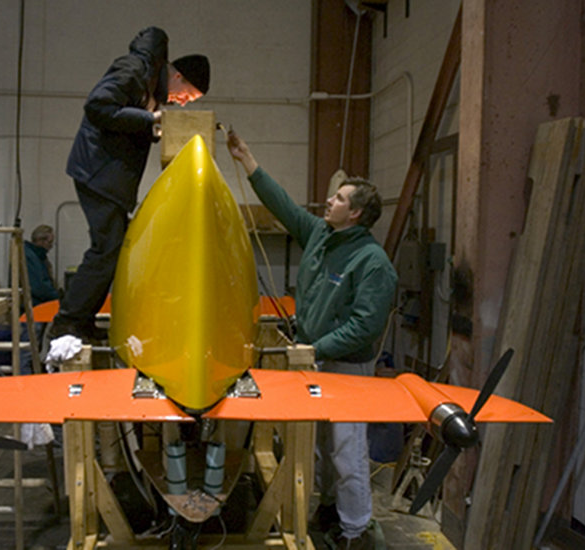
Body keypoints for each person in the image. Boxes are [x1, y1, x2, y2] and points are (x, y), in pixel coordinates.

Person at [227, 130, 397, 550]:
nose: (329, 202)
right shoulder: (321, 235)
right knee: (316, 447)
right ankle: (328, 509)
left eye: (339, 199)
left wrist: (316, 349)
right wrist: (247, 159)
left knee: (347, 449)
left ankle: (356, 530)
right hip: (312, 360)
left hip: (347, 367)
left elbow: (364, 326)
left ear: (355, 213)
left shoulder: (373, 263)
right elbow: (282, 205)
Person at [50, 26, 210, 343]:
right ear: (177, 76)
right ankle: (67, 322)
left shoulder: (150, 87)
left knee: (112, 251)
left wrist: (152, 128)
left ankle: (80, 321)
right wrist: (150, 121)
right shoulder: (135, 70)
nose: (182, 103)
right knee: (105, 251)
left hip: (110, 180)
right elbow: (97, 106)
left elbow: (124, 121)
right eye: (187, 94)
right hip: (97, 174)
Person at [24, 224, 59, 307]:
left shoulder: (36, 256)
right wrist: (58, 297)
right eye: (50, 242)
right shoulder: (30, 257)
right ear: (40, 241)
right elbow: (39, 287)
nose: (51, 246)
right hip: (35, 305)